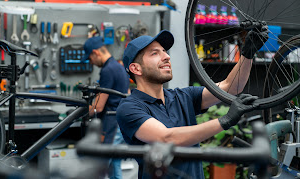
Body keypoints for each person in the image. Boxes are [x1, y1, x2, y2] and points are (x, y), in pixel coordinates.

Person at [116, 28, 268, 179]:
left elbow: (230, 87)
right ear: (136, 68)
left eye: (165, 51)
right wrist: (225, 121)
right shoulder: (129, 108)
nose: (166, 56)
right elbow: (166, 138)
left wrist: (247, 54)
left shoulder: (183, 96)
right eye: (155, 53)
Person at [83, 36, 130, 179]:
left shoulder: (108, 70)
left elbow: (99, 106)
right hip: (120, 122)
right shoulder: (119, 66)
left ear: (95, 53)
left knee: (100, 167)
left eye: (90, 59)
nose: (91, 63)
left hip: (111, 125)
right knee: (114, 165)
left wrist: (80, 112)